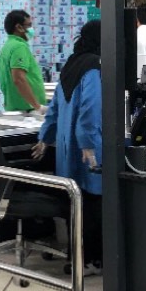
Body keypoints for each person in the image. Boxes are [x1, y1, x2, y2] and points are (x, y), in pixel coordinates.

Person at [32, 21, 103, 274]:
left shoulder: (71, 65)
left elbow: (54, 109)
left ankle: (77, 258)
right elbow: (90, 108)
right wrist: (88, 144)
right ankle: (91, 261)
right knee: (93, 204)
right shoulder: (94, 67)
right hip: (87, 151)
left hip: (65, 149)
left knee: (76, 203)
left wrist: (44, 138)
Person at [0, 9, 47, 113]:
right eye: (29, 25)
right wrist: (37, 106)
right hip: (27, 110)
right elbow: (18, 79)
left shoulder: (7, 46)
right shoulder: (19, 47)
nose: (31, 29)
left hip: (16, 107)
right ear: (19, 27)